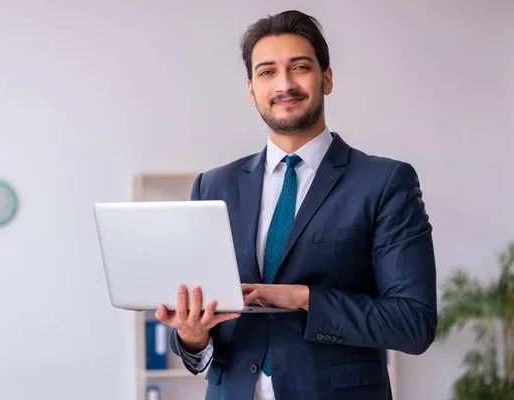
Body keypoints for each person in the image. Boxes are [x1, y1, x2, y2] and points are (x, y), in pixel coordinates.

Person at [154, 9, 437, 400]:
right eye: (268, 72)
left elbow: (413, 323)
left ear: (327, 78)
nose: (284, 84)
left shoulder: (385, 182)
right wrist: (190, 335)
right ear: (252, 90)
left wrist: (303, 298)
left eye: (299, 67)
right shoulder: (213, 185)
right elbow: (203, 331)